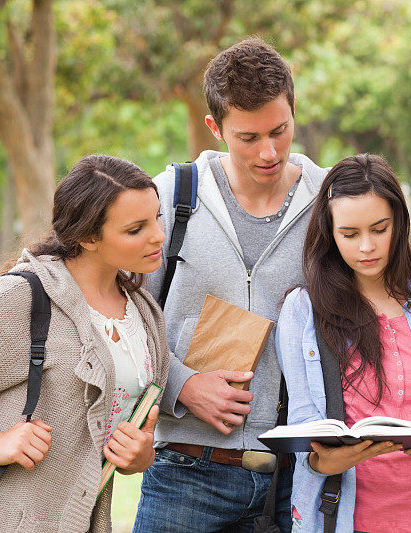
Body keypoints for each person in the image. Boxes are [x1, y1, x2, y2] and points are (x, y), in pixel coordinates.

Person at [0, 155, 170, 532]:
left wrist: (141, 454)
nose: (158, 236)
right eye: (136, 229)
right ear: (87, 237)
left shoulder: (144, 313)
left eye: (157, 218)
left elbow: (132, 423)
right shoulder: (23, 297)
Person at [133, 37, 328, 532]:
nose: (268, 152)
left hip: (297, 478)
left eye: (279, 131)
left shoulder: (332, 199)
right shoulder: (169, 198)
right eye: (247, 137)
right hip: (184, 473)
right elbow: (123, 319)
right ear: (214, 128)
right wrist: (183, 385)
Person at [276, 154, 411, 533]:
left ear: (400, 223)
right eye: (349, 234)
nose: (366, 247)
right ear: (330, 233)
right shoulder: (303, 310)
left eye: (379, 229)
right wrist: (326, 461)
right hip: (340, 519)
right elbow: (303, 420)